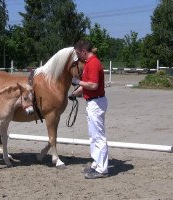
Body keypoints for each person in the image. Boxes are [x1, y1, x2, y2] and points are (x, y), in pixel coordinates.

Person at [69, 39, 109, 179]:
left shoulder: (93, 63)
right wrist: (75, 93)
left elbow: (93, 85)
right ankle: (96, 164)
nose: (78, 56)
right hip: (92, 102)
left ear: (84, 51)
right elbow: (87, 86)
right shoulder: (89, 63)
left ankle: (102, 169)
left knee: (98, 137)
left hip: (96, 103)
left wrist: (78, 81)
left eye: (78, 53)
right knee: (93, 136)